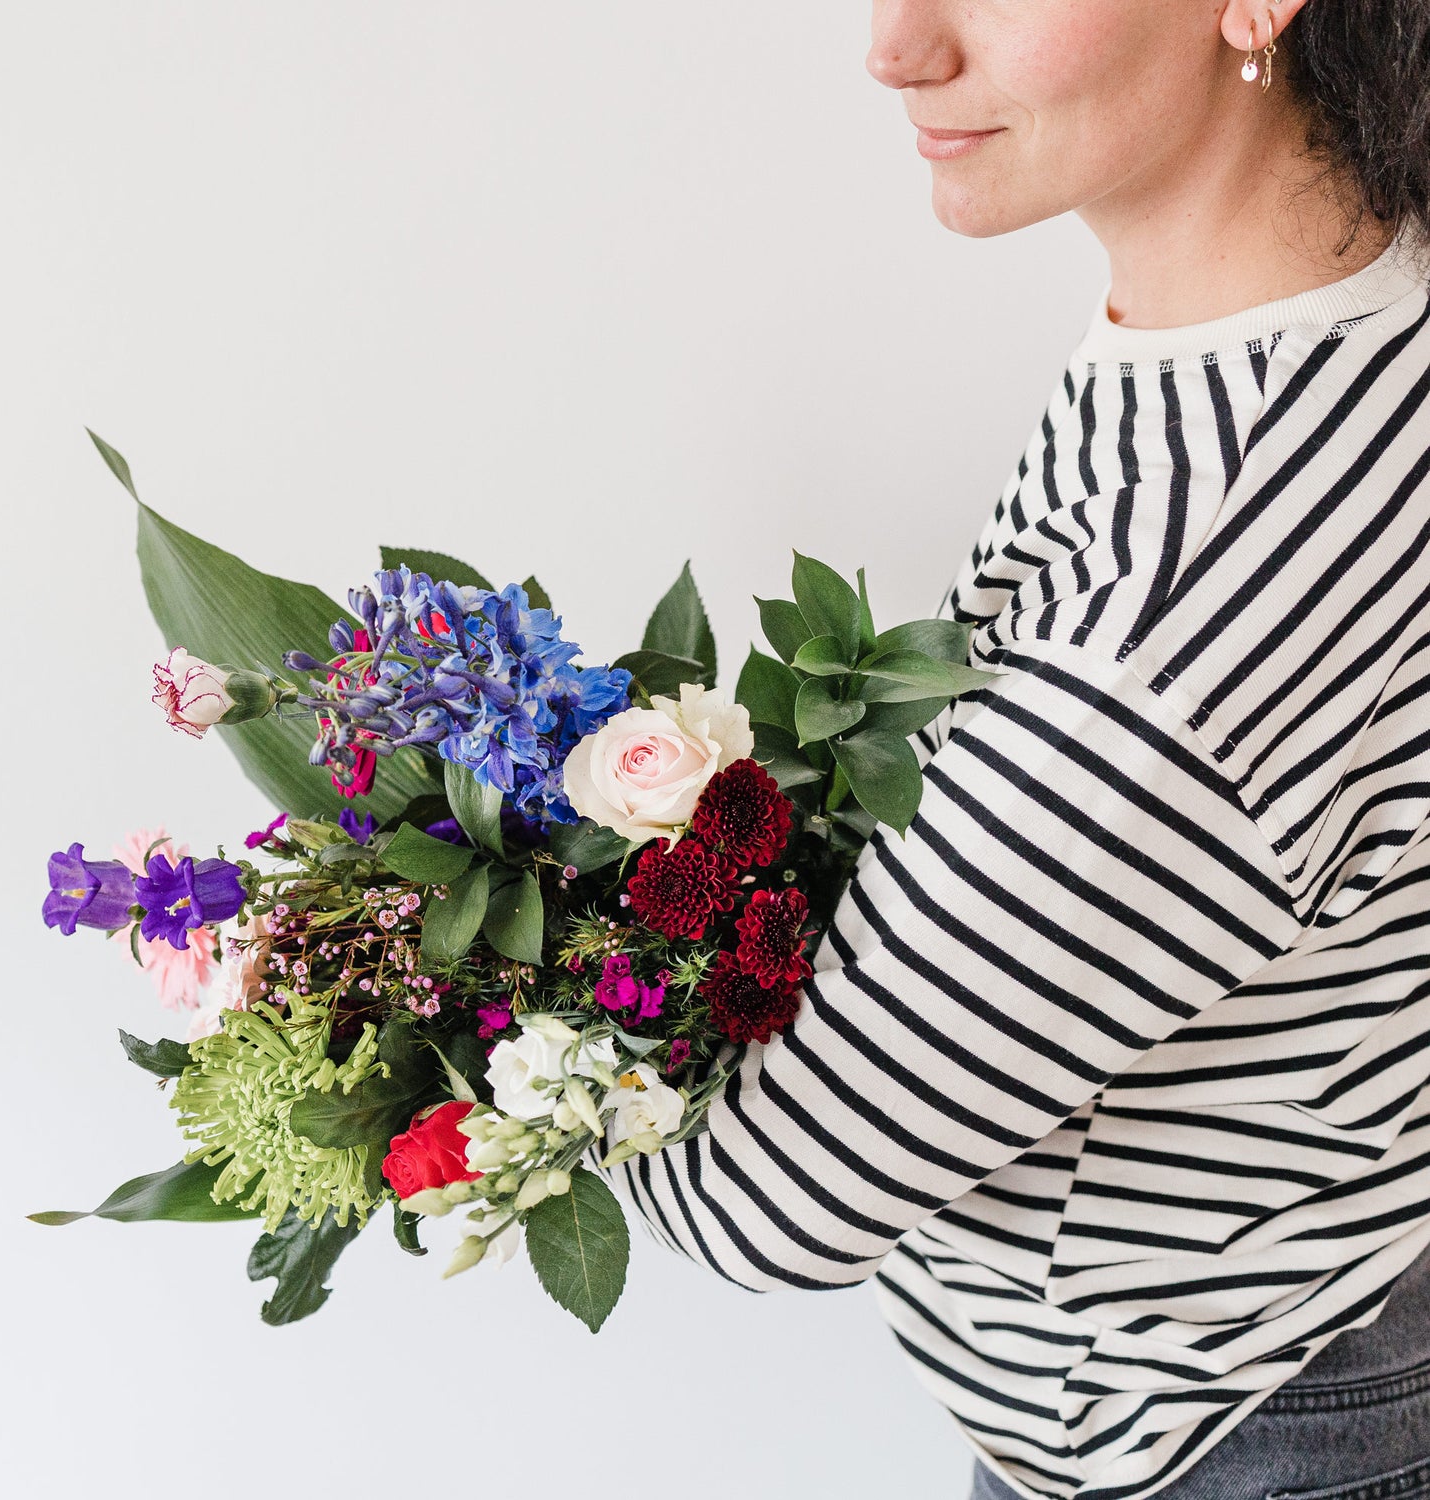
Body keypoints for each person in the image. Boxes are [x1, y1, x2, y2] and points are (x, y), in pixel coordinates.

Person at [600, 4, 1430, 1496]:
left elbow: (767, 1203)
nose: (897, 45)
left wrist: (466, 1017)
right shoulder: (1315, 307)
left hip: (1218, 1432)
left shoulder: (1190, 592)